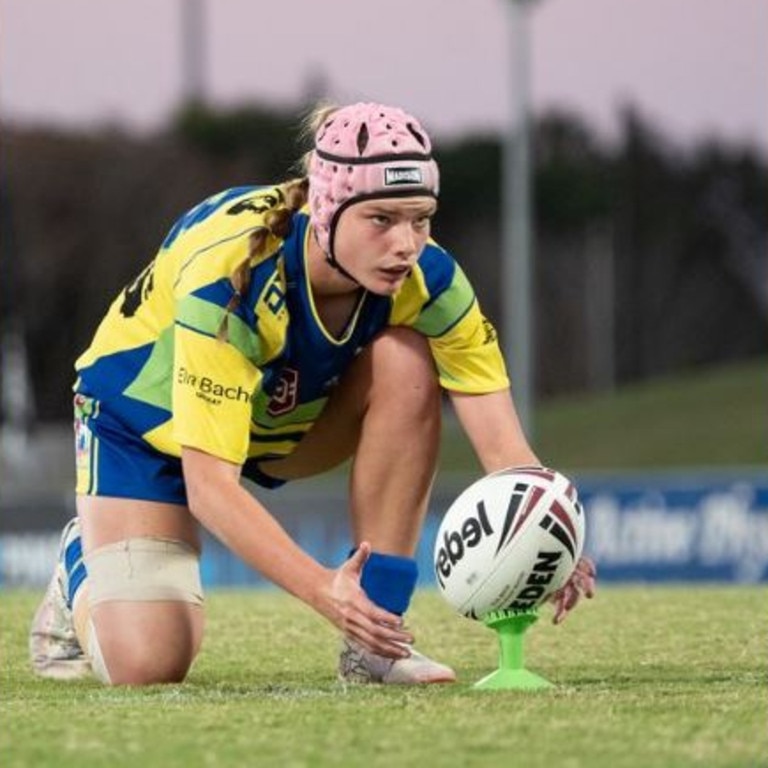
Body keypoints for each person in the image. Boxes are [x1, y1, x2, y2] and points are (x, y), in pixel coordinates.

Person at [29, 101, 596, 687]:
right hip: (143, 431)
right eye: (381, 219)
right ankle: (80, 569)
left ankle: (377, 644)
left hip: (272, 421)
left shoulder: (430, 279)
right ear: (324, 211)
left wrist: (551, 528)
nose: (406, 243)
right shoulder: (229, 276)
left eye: (420, 218)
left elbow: (504, 450)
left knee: (406, 362)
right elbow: (210, 488)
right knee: (149, 665)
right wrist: (325, 589)